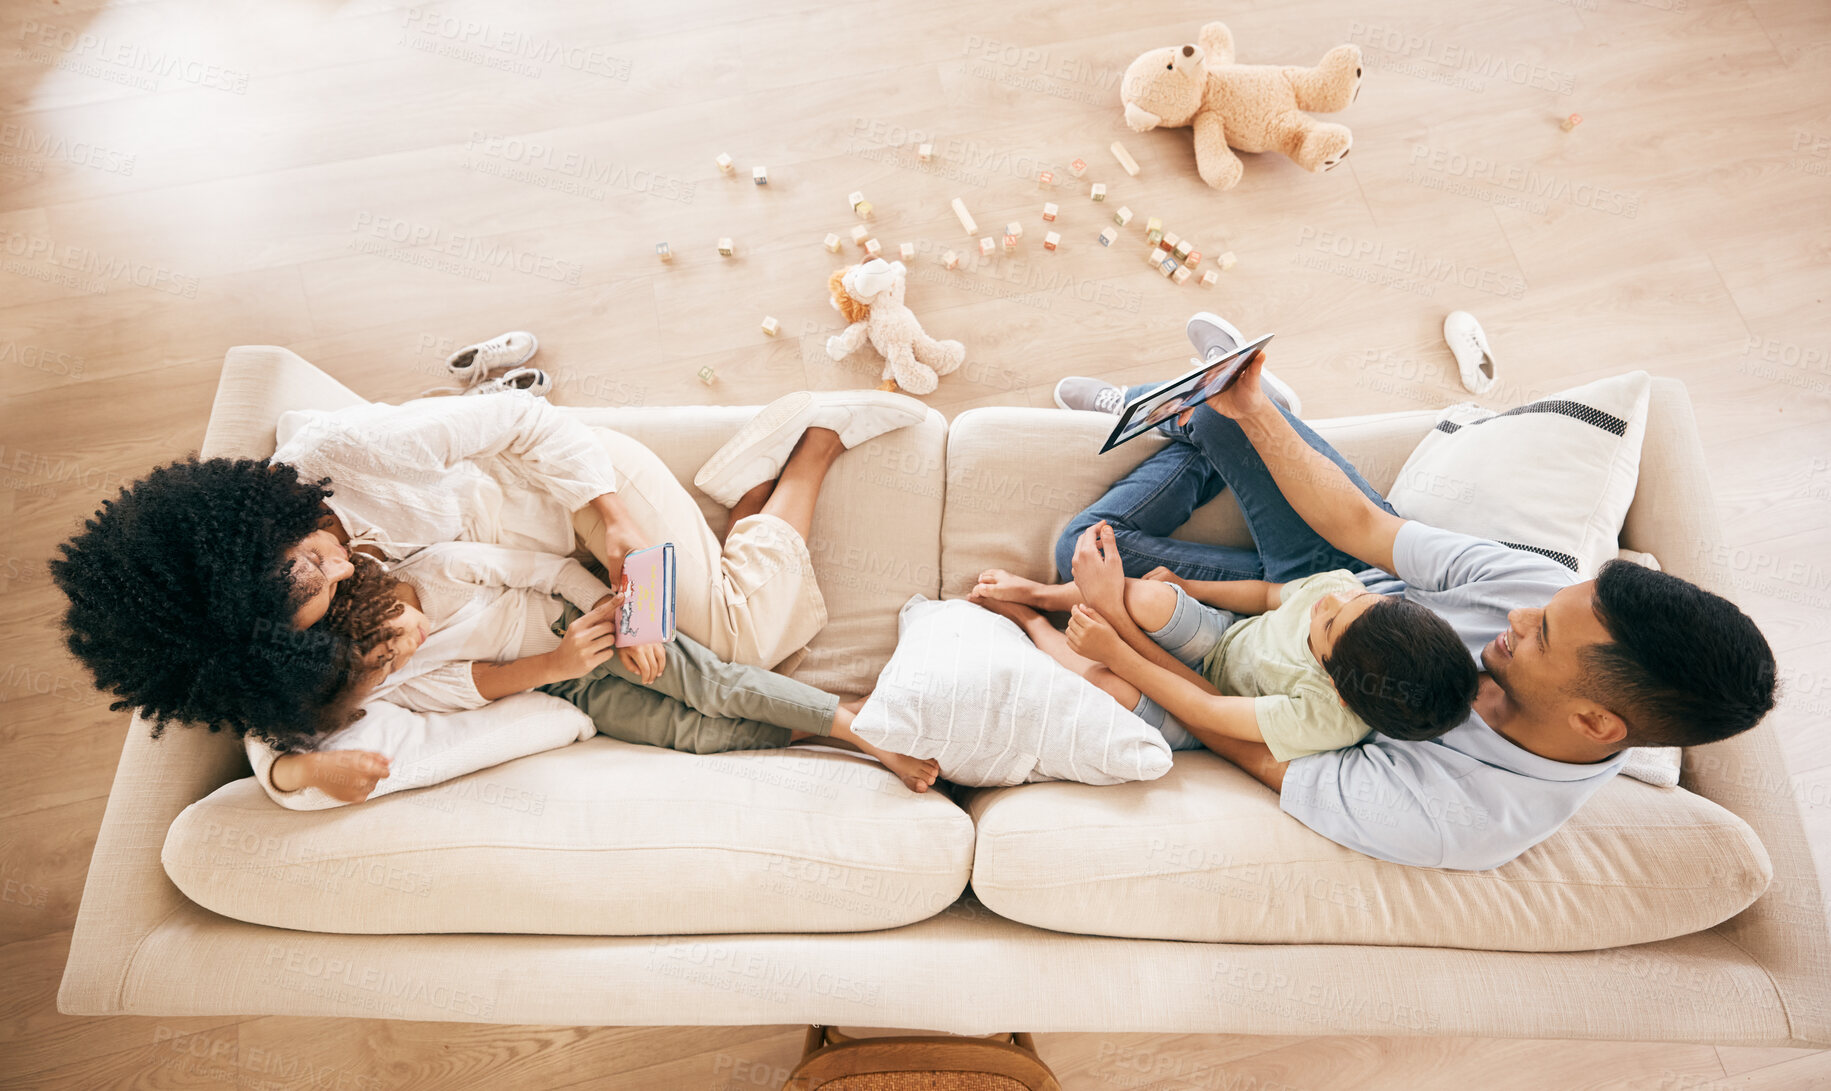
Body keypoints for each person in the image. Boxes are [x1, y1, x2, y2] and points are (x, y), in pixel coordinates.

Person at [1047, 311, 1778, 870]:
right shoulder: (1542, 589)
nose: (1520, 613)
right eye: (1547, 609)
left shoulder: (1467, 815)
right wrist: (1257, 414)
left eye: (1543, 635)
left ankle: (1197, 433)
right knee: (1220, 406)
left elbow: (1252, 747)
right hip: (1343, 581)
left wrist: (1118, 628)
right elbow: (1365, 525)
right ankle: (1209, 412)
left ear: (1594, 721)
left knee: (1074, 553)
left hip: (1275, 668)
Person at [51, 371, 925, 741]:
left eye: (316, 564)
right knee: (703, 651)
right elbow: (319, 725)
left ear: (253, 520)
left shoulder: (347, 450)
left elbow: (527, 417)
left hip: (575, 490)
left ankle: (811, 437)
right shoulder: (268, 649)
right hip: (553, 572)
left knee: (744, 640)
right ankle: (742, 500)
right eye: (320, 598)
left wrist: (617, 528)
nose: (349, 572)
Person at [255, 544, 939, 800]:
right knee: (692, 734)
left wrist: (613, 614)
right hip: (558, 677)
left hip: (580, 622)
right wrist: (555, 667)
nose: (412, 646)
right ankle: (819, 730)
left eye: (397, 639)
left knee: (715, 686)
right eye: (391, 663)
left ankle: (863, 731)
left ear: (375, 603)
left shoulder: (436, 571)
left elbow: (544, 570)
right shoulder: (391, 677)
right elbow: (475, 687)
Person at [971, 520, 1478, 762]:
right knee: (1150, 600)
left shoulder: (1326, 718)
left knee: (1109, 682)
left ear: (1340, 688)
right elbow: (1263, 594)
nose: (1331, 602)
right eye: (1359, 600)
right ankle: (1043, 595)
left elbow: (1204, 707)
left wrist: (1116, 646)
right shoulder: (1342, 593)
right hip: (1224, 639)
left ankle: (1031, 624)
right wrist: (1186, 589)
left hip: (1208, 708)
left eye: (1328, 625)